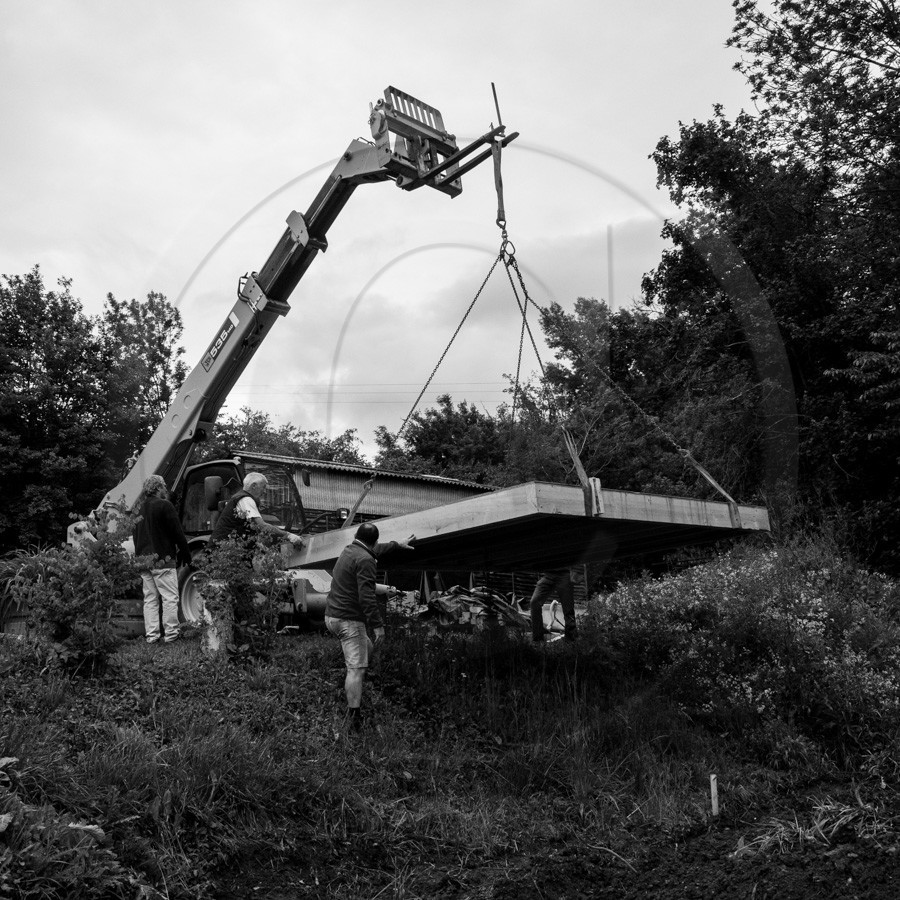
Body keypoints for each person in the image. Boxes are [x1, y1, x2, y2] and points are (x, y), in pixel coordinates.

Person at [325, 522, 408, 728]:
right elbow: (366, 596)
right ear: (375, 541)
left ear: (356, 535)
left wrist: (397, 544)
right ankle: (354, 718)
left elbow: (376, 549)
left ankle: (356, 680)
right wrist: (378, 626)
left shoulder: (350, 550)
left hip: (332, 617)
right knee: (356, 670)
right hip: (349, 620)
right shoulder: (366, 560)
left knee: (368, 649)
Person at [133, 475, 192, 644]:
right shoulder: (164, 505)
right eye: (164, 487)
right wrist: (185, 551)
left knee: (150, 598)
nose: (166, 490)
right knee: (169, 597)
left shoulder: (138, 509)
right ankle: (171, 634)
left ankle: (152, 636)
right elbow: (177, 532)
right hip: (163, 559)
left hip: (143, 560)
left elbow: (135, 536)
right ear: (158, 488)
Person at [206, 472, 304, 551]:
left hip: (224, 550)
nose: (265, 491)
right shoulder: (245, 499)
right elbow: (261, 526)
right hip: (222, 553)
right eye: (263, 487)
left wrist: (259, 545)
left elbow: (248, 527)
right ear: (254, 486)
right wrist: (288, 535)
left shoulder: (241, 498)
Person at [529, 567, 581, 642]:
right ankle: (538, 640)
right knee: (534, 602)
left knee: (568, 610)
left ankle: (571, 640)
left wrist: (575, 571)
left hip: (564, 574)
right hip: (549, 574)